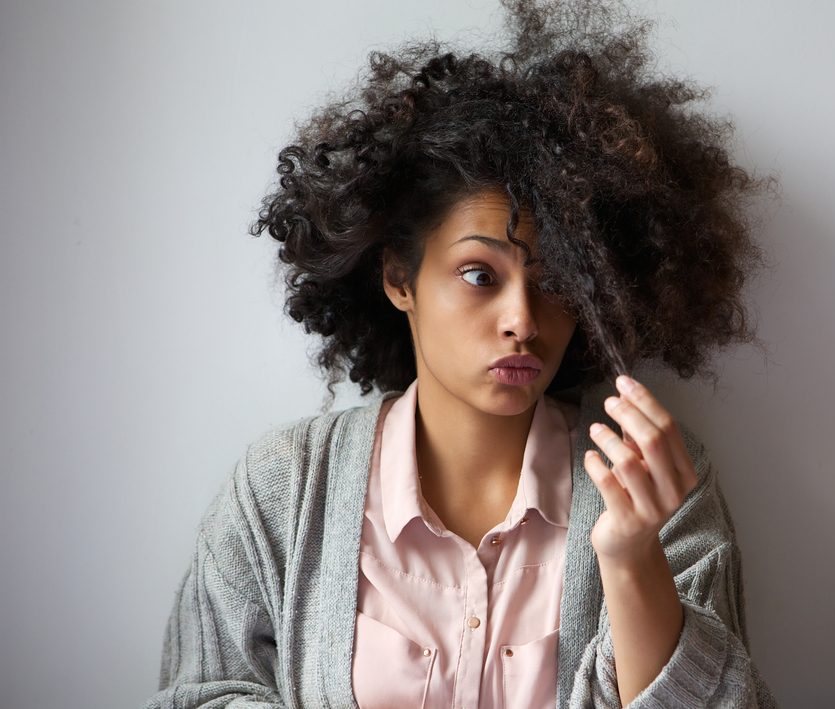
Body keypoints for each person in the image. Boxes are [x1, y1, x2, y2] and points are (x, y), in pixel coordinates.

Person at [144, 0, 780, 706]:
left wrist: (633, 559)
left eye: (559, 283)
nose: (521, 319)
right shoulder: (281, 492)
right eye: (480, 275)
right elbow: (197, 693)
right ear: (398, 278)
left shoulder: (655, 482)